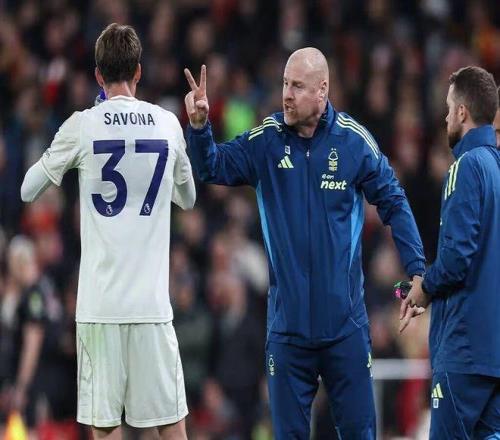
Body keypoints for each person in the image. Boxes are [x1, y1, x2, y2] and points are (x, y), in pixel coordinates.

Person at [184, 47, 425, 439]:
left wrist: (416, 270)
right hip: (288, 335)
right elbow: (211, 166)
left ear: (322, 90)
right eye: (285, 84)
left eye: (297, 86)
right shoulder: (265, 141)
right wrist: (199, 127)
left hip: (345, 329)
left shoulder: (353, 142)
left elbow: (394, 201)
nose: (286, 95)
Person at [20, 23, 195, 440]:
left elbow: (28, 190)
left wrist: (61, 157)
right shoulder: (167, 123)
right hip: (151, 307)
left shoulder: (82, 125)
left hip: (99, 307)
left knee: (105, 428)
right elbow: (188, 199)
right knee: (171, 427)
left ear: (98, 75)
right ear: (139, 71)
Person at [400, 66, 500, 439]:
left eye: (448, 108)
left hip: (463, 351)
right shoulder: (497, 169)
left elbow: (458, 259)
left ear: (462, 112)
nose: (445, 117)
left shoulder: (466, 167)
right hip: (494, 356)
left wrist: (424, 288)